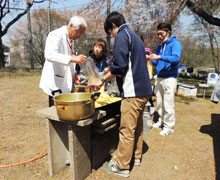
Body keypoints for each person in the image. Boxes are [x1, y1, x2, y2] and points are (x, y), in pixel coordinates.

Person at [93, 11, 152, 178]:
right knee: (137, 125)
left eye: (110, 32)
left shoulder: (121, 35)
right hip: (144, 90)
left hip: (133, 92)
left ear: (113, 26)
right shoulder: (133, 35)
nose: (111, 36)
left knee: (126, 129)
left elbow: (121, 66)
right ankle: (136, 156)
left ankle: (122, 167)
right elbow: (125, 60)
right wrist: (110, 67)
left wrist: (102, 80)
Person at [39, 16, 87, 107]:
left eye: (81, 34)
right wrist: (72, 59)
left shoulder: (70, 39)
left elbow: (70, 57)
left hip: (66, 83)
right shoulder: (55, 35)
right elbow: (50, 54)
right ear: (71, 26)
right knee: (57, 112)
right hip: (55, 83)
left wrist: (75, 74)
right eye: (79, 33)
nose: (79, 36)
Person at [147, 23, 182, 136]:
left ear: (168, 32)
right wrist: (150, 58)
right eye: (158, 34)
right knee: (160, 102)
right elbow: (156, 61)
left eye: (161, 34)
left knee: (168, 103)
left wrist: (160, 57)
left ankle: (169, 126)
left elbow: (175, 58)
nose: (159, 36)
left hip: (170, 78)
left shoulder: (175, 44)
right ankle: (161, 121)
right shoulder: (160, 46)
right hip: (159, 77)